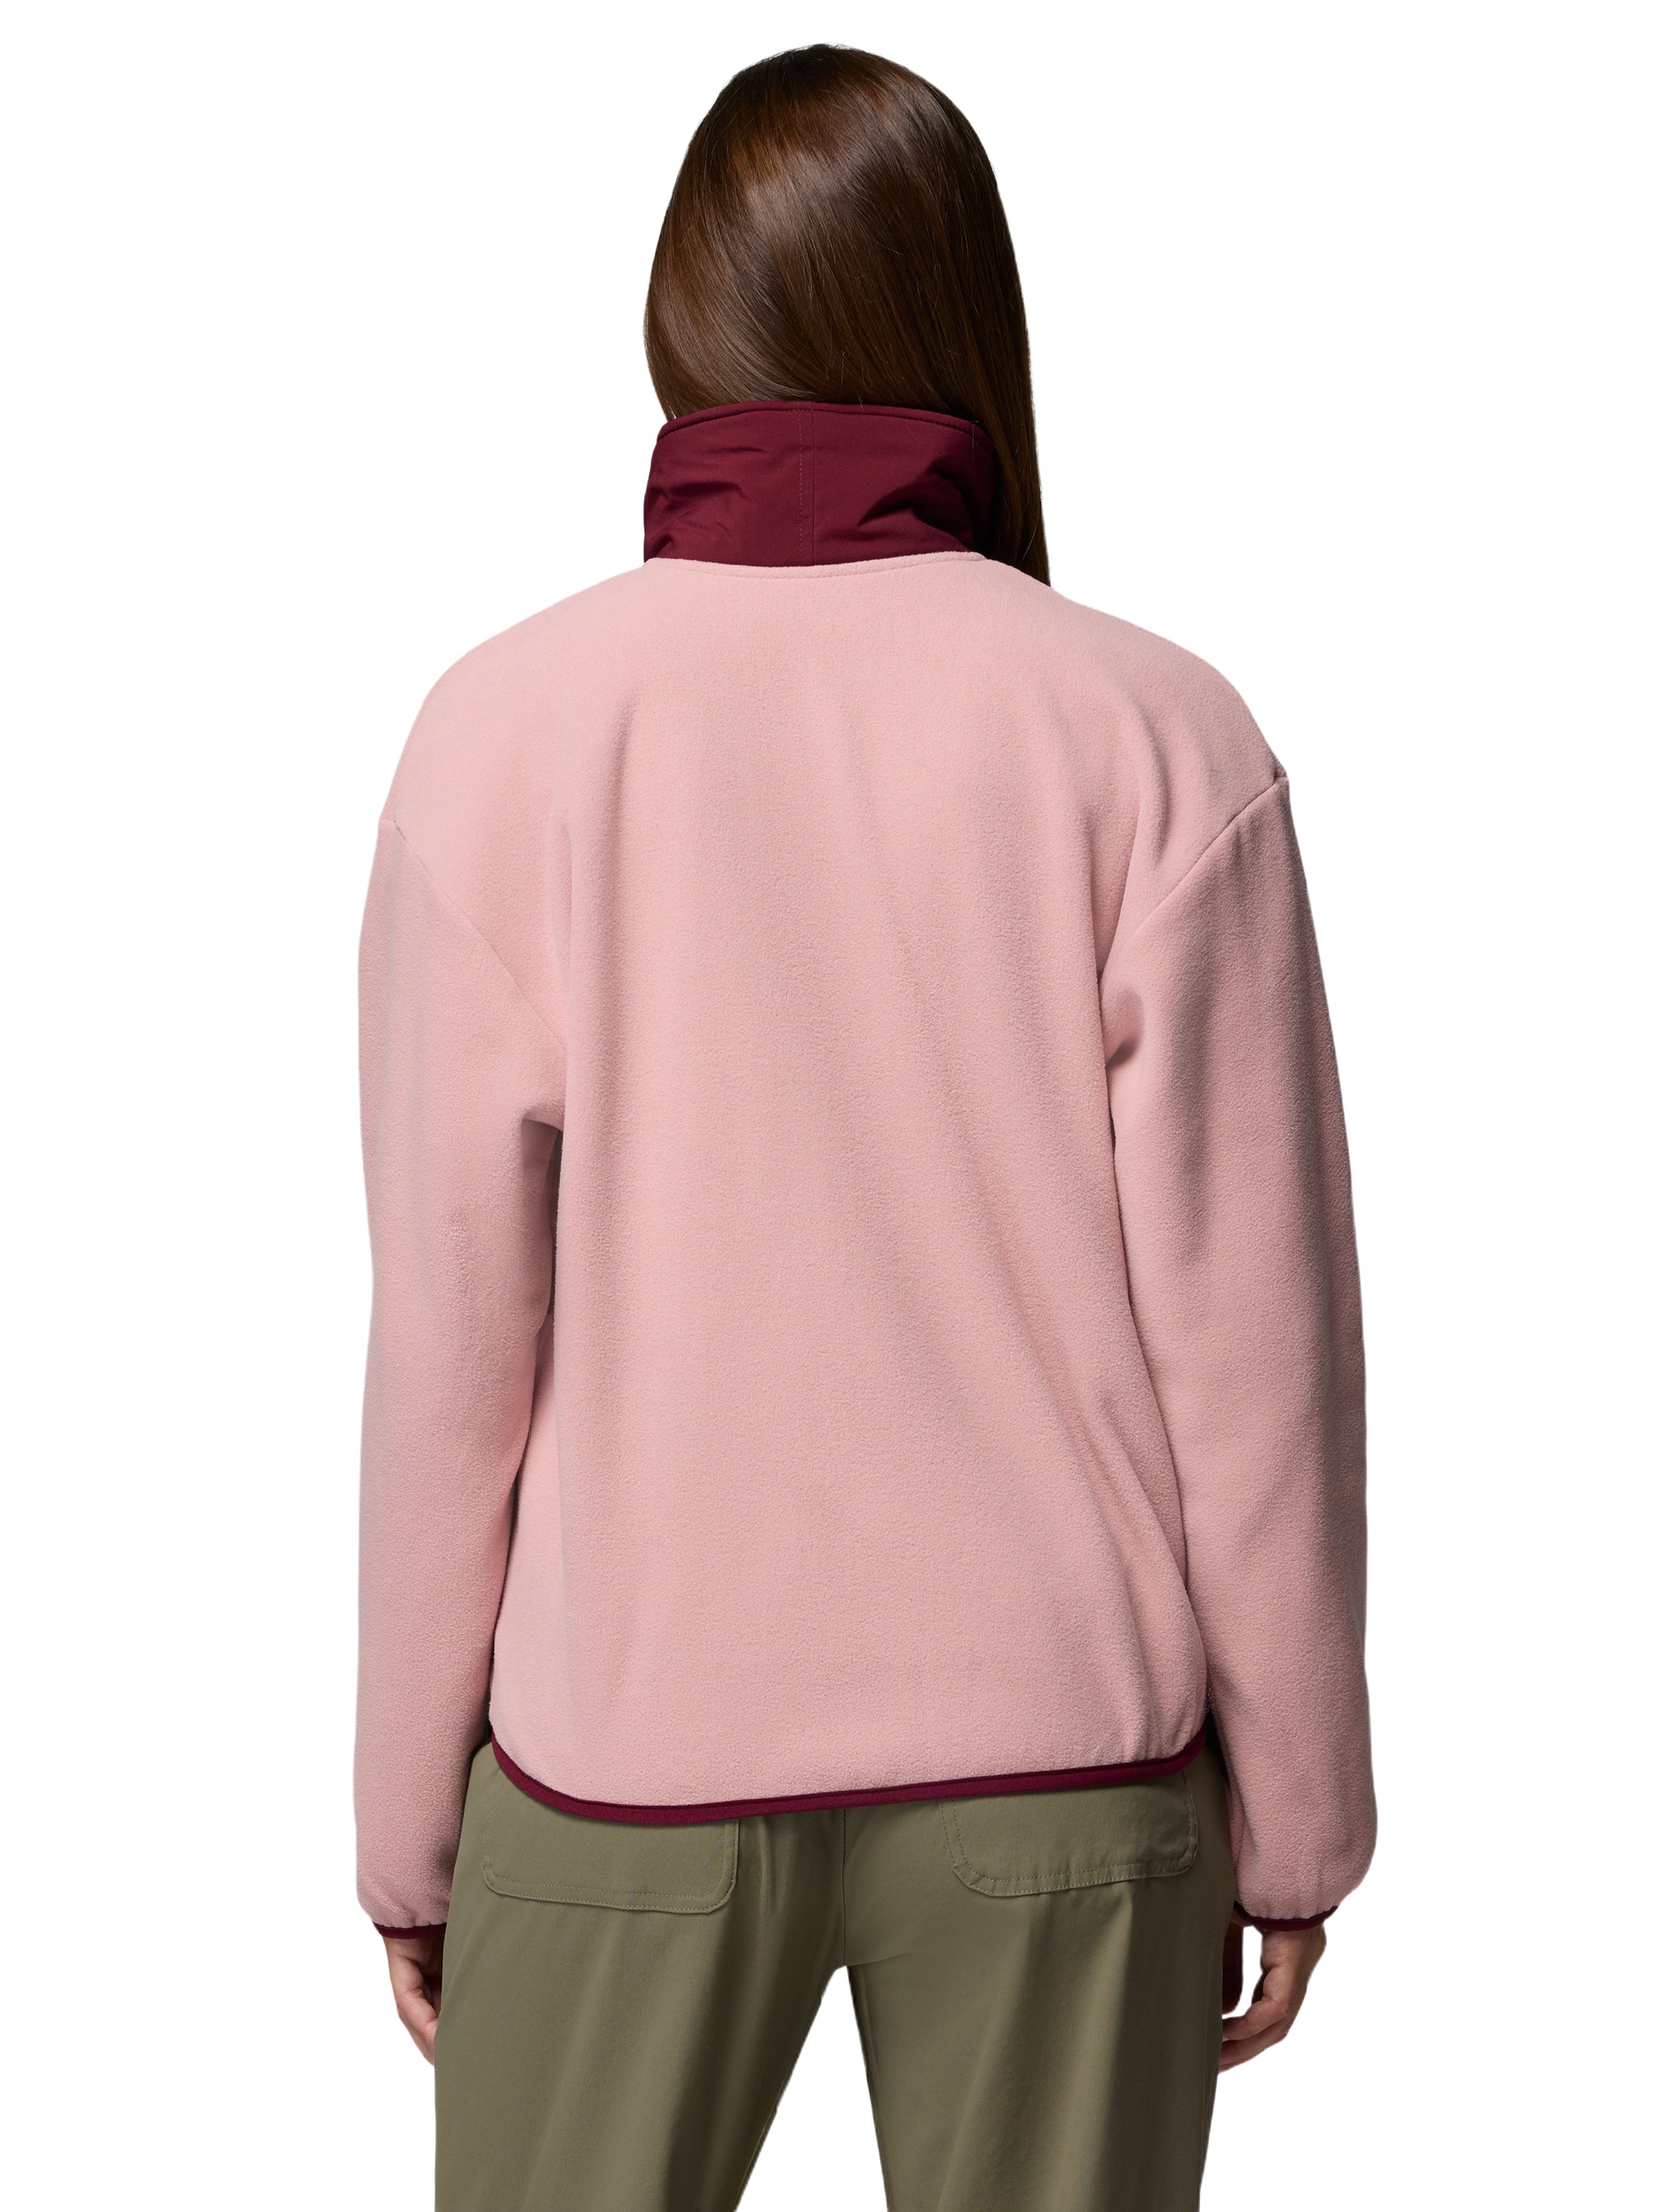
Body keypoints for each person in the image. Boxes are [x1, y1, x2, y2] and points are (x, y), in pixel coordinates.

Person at [356, 43, 1374, 2212]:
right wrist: (1301, 1813)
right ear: (965, 315)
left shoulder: (502, 734)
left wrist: (403, 1820)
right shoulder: (1156, 733)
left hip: (627, 1747)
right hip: (1068, 1749)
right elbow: (1258, 1349)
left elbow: (455, 1348)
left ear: (681, 323)